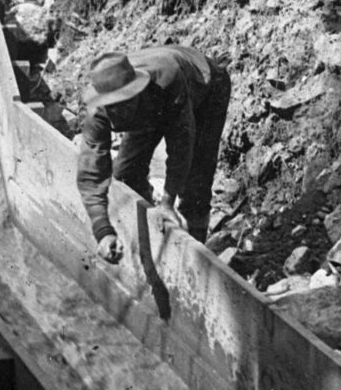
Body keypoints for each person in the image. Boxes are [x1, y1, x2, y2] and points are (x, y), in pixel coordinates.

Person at [76, 45, 231, 264]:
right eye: (112, 107)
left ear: (135, 91)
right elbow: (91, 175)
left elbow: (181, 144)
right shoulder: (97, 114)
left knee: (195, 181)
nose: (118, 113)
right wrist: (103, 231)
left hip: (205, 89)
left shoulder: (167, 81)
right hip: (151, 105)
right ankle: (153, 231)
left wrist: (168, 201)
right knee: (126, 175)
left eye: (124, 103)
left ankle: (195, 254)